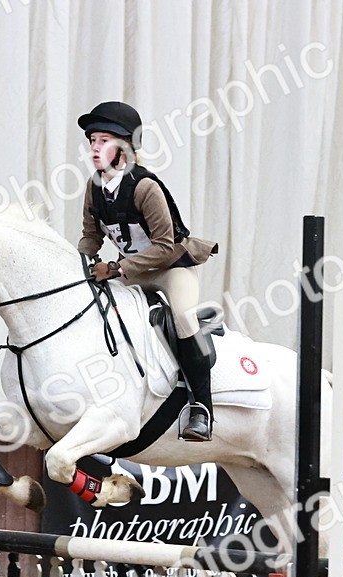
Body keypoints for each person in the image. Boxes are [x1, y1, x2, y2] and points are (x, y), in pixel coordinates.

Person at [76, 101, 219, 442]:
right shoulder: (95, 186)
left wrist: (115, 267)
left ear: (124, 148)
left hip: (171, 268)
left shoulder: (145, 187)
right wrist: (77, 265)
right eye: (92, 140)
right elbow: (91, 236)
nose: (94, 148)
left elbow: (166, 246)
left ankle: (202, 408)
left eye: (103, 141)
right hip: (130, 270)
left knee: (183, 317)